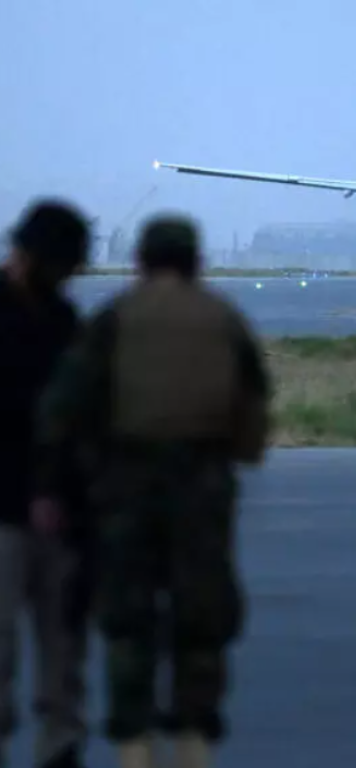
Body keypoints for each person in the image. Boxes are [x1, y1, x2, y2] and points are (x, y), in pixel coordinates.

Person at [33, 213, 272, 768]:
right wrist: (234, 455)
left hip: (126, 487)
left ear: (140, 260)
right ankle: (193, 741)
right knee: (202, 619)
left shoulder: (116, 317)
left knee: (128, 620)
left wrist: (64, 477)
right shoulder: (223, 318)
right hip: (202, 487)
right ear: (195, 261)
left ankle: (134, 745)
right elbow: (252, 406)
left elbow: (65, 404)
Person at [0, 200, 92, 768]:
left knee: (63, 652)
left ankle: (61, 748)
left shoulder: (64, 321)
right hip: (8, 511)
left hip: (58, 512)